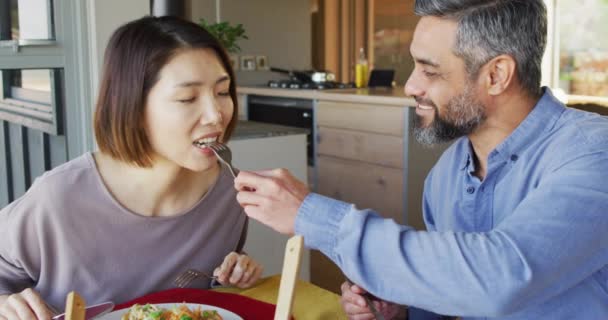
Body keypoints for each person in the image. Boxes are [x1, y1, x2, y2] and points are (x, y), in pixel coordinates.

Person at [233, 0, 608, 319]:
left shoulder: (592, 153)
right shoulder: (447, 172)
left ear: (496, 75)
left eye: (430, 71)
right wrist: (403, 305)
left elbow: (501, 274)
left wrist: (310, 214)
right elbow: (455, 293)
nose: (412, 86)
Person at [0, 16, 263, 320]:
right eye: (187, 97)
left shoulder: (228, 194)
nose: (216, 115)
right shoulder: (58, 199)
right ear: (132, 107)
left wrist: (233, 270)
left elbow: (200, 283)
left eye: (222, 92)